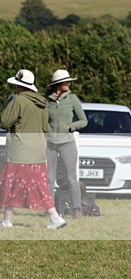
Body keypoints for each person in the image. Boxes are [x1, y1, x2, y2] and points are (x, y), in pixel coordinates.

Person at [0, 69, 67, 229]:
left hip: (19, 150)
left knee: (12, 184)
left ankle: (7, 221)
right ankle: (55, 217)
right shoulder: (43, 102)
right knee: (39, 185)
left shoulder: (18, 101)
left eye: (16, 85)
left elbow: (6, 122)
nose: (14, 88)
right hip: (37, 150)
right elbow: (45, 126)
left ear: (21, 87)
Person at [46, 69, 87, 219]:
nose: (69, 83)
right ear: (58, 84)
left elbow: (83, 120)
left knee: (71, 178)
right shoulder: (47, 100)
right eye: (66, 81)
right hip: (49, 143)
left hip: (67, 143)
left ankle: (77, 209)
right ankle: (50, 210)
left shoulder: (72, 99)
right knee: (49, 178)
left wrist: (70, 127)